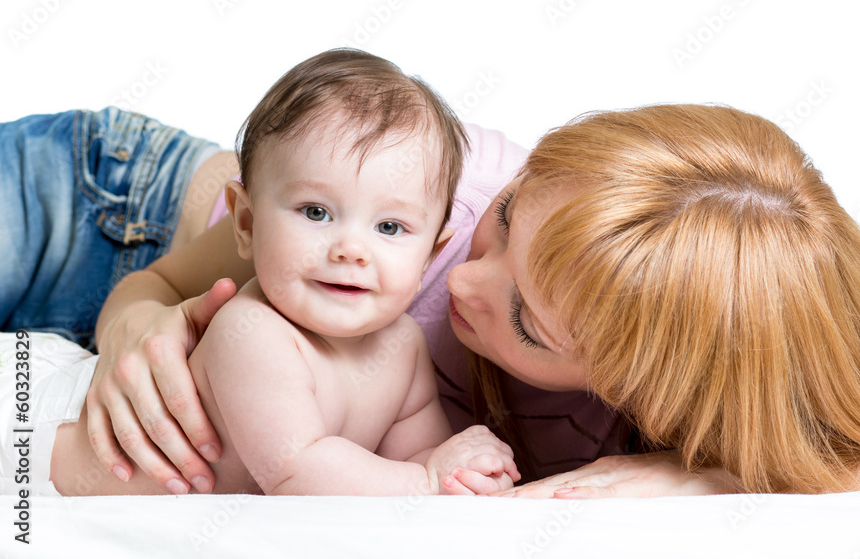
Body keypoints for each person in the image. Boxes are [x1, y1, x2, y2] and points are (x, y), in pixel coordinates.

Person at [3, 49, 521, 497]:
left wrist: (462, 474)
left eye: (389, 227)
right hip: (31, 421)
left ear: (430, 256)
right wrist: (428, 481)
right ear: (246, 223)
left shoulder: (404, 347)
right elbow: (297, 472)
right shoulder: (253, 331)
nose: (351, 250)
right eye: (316, 212)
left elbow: (414, 456)